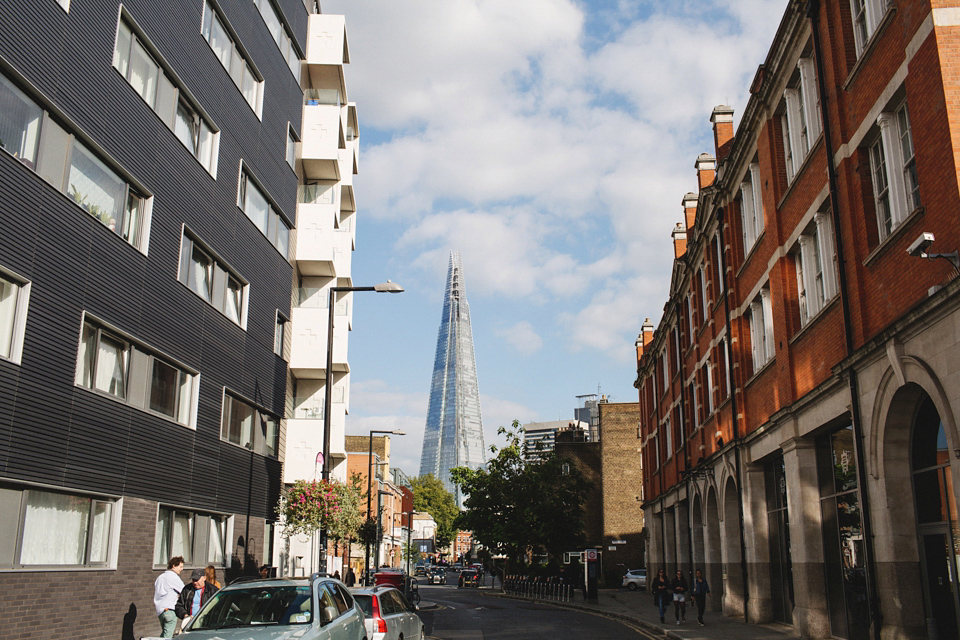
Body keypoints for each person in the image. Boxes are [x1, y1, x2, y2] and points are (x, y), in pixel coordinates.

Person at [154, 556, 185, 638]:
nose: (182, 569)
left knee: (164, 633)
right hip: (170, 610)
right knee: (168, 636)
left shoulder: (160, 577)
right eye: (180, 567)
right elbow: (184, 590)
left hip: (160, 610)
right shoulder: (173, 577)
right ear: (174, 566)